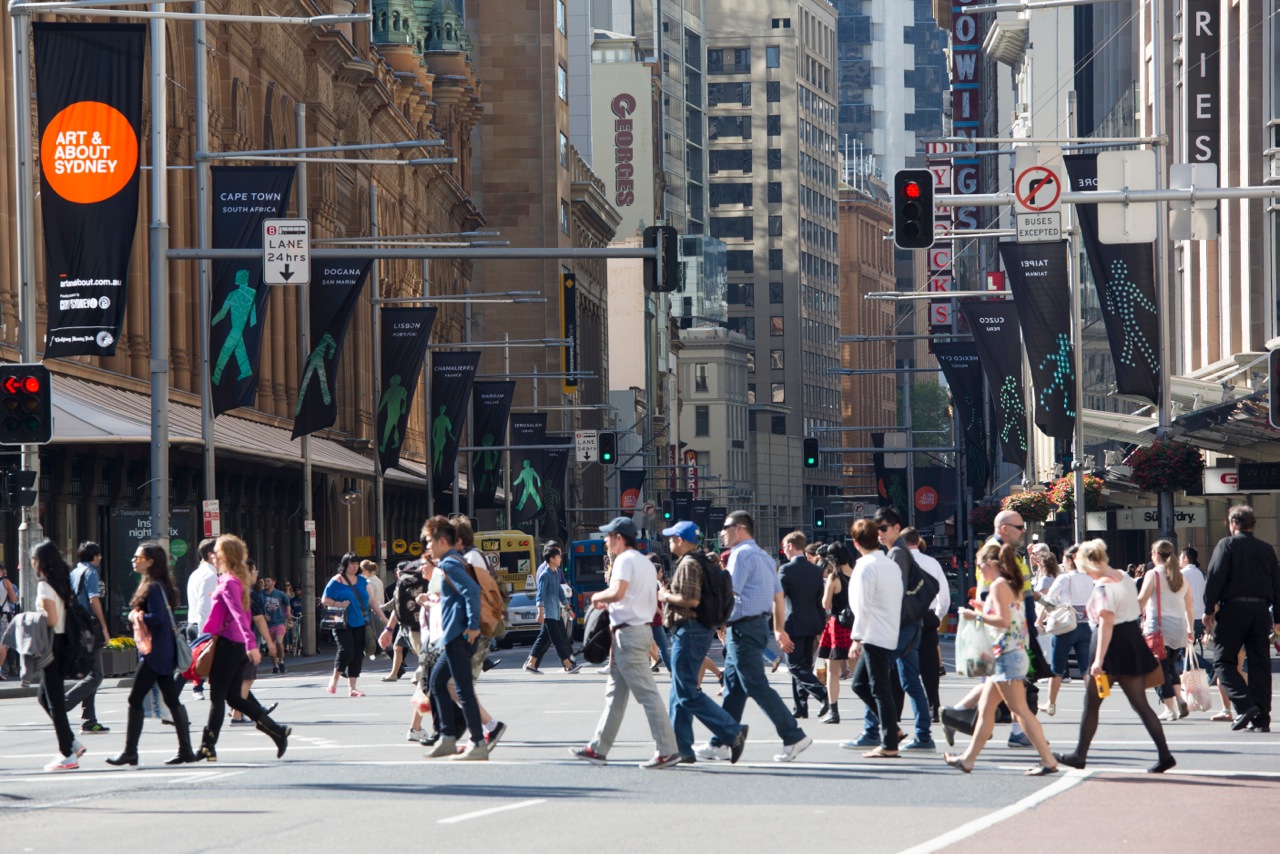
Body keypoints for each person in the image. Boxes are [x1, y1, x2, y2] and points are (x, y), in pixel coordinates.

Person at [697, 511, 811, 763]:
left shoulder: (740, 555)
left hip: (743, 629)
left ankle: (793, 735)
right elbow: (778, 596)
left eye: (725, 527)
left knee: (755, 685)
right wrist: (779, 628)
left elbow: (729, 594)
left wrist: (707, 618)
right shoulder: (764, 557)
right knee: (734, 688)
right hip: (754, 626)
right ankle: (721, 742)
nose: (721, 533)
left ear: (739, 528)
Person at [1053, 538, 1175, 773]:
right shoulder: (1124, 577)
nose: (1085, 573)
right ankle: (1164, 754)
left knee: (1092, 703)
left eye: (1084, 568)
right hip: (1131, 640)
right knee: (1141, 704)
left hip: (1109, 644)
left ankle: (1079, 755)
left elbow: (1106, 623)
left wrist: (1098, 660)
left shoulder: (1103, 587)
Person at [571, 517, 680, 769]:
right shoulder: (645, 564)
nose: (605, 540)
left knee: (647, 694)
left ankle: (667, 750)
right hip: (639, 630)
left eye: (608, 536)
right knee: (615, 696)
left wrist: (597, 597)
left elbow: (618, 592)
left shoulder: (623, 560)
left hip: (629, 634)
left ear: (619, 538)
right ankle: (598, 749)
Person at [942, 543, 1058, 776]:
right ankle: (967, 759)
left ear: (991, 564)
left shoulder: (998, 585)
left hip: (1007, 655)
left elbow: (1003, 621)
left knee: (1020, 711)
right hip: (1010, 654)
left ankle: (1048, 760)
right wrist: (983, 608)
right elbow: (1009, 615)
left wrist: (976, 615)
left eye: (980, 565)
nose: (979, 570)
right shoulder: (1010, 584)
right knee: (986, 711)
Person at [660, 520, 749, 765]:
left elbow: (691, 600)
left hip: (689, 629)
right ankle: (682, 749)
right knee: (678, 691)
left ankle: (732, 731)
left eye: (672, 538)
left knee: (686, 693)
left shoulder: (688, 563)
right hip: (696, 630)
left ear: (680, 540)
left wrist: (665, 595)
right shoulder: (700, 561)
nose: (669, 542)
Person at [197, 534, 290, 761]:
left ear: (226, 555)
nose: (213, 556)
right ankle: (276, 732)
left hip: (230, 645)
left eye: (217, 552)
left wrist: (252, 644)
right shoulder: (233, 580)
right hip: (235, 645)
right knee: (234, 699)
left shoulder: (230, 582)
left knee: (218, 698)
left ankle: (208, 747)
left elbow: (240, 615)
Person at [107, 542, 197, 767]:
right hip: (161, 651)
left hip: (155, 653)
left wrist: (136, 616)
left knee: (135, 698)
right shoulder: (158, 584)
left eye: (138, 557)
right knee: (171, 699)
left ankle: (131, 751)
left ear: (150, 561)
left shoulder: (154, 586)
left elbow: (158, 618)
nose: (134, 560)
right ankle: (185, 749)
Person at [1203, 504, 1280, 732]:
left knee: (1222, 661)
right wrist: (1277, 618)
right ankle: (1262, 719)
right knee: (1260, 664)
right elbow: (1277, 585)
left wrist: (1208, 609)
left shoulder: (1227, 545)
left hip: (1233, 609)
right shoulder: (1266, 549)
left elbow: (1215, 577)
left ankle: (1245, 704)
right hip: (1261, 610)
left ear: (1233, 524)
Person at [420, 516, 489, 761]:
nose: (428, 546)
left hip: (459, 636)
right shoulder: (453, 561)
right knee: (437, 683)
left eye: (430, 541)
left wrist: (472, 626)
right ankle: (448, 737)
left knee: (462, 689)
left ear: (442, 541)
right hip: (452, 637)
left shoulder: (450, 563)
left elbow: (472, 590)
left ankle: (477, 742)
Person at [841, 519, 903, 758]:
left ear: (855, 542)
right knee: (861, 684)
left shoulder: (865, 567)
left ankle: (889, 743)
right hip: (888, 630)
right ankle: (892, 730)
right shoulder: (890, 564)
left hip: (873, 633)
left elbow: (862, 605)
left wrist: (856, 638)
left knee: (879, 688)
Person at [873, 508, 933, 751]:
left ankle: (873, 731)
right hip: (908, 624)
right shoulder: (897, 551)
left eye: (884, 528)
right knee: (909, 681)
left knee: (874, 676)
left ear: (897, 528)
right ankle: (923, 736)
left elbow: (894, 592)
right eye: (877, 529)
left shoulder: (897, 552)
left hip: (902, 626)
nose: (879, 533)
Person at [32, 540, 85, 771]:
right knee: (44, 697)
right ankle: (72, 742)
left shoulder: (45, 585)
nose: (31, 563)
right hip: (65, 643)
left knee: (54, 701)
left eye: (33, 559)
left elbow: (51, 619)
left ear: (40, 562)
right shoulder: (62, 582)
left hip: (52, 644)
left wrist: (32, 618)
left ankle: (67, 753)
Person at [1137, 540, 1195, 721]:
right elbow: (1189, 606)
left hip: (1159, 628)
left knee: (1156, 669)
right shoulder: (1181, 577)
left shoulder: (1153, 574)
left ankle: (1170, 708)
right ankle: (1179, 699)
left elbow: (1142, 600)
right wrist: (1191, 629)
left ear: (1156, 554)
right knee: (1169, 666)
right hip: (1179, 628)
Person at [778, 532, 829, 722]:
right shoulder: (815, 570)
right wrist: (821, 627)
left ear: (791, 546)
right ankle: (800, 706)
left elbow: (779, 599)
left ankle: (822, 693)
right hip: (812, 623)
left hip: (793, 623)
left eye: (784, 547)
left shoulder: (786, 569)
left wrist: (776, 626)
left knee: (794, 666)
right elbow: (819, 602)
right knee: (804, 665)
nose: (784, 551)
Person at [1042, 544, 1094, 716]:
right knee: (1086, 668)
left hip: (1066, 625)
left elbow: (1048, 600)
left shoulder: (1064, 578)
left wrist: (1040, 619)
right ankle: (1093, 704)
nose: (1062, 562)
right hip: (1086, 625)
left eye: (1064, 558)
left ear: (1070, 560)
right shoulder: (1089, 578)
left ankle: (1051, 703)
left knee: (1057, 667)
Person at [65, 541, 112, 734]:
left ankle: (89, 720)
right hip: (89, 626)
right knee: (97, 675)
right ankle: (63, 703)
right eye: (99, 555)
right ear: (95, 557)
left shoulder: (74, 572)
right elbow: (94, 600)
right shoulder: (91, 572)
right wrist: (104, 627)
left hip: (76, 626)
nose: (100, 558)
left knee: (91, 673)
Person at [903, 528, 949, 723]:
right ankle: (933, 706)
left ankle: (896, 709)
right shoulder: (932, 563)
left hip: (904, 617)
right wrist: (937, 615)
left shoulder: (897, 562)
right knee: (930, 665)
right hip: (927, 615)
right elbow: (944, 596)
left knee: (902, 663)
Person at [524, 543, 581, 674]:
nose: (561, 559)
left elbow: (561, 594)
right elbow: (540, 595)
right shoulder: (544, 575)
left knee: (543, 639)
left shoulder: (555, 573)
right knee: (557, 640)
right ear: (551, 559)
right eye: (558, 556)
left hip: (556, 613)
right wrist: (540, 612)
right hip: (548, 613)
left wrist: (569, 609)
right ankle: (568, 665)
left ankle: (531, 664)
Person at [816, 542, 855, 723]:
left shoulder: (834, 577)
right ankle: (874, 709)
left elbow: (826, 604)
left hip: (838, 626)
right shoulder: (857, 573)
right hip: (857, 626)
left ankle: (834, 711)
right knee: (860, 669)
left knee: (833, 671)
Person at [322, 553, 369, 697]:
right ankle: (335, 678)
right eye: (352, 563)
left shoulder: (362, 580)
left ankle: (352, 688)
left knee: (358, 653)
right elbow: (325, 600)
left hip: (360, 621)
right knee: (346, 650)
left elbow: (371, 600)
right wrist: (339, 604)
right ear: (345, 565)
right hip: (341, 622)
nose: (355, 566)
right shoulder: (336, 580)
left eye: (356, 563)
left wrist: (384, 618)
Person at [381, 559, 426, 682]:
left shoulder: (412, 584)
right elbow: (396, 606)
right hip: (403, 623)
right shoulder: (403, 583)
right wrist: (389, 629)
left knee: (417, 650)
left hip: (412, 623)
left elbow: (395, 605)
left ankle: (423, 672)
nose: (397, 572)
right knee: (397, 647)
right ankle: (394, 674)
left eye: (399, 569)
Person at [186, 539, 219, 698]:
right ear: (211, 555)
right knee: (202, 662)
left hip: (193, 622)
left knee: (195, 663)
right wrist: (204, 633)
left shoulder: (196, 573)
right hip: (203, 626)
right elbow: (204, 605)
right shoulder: (210, 575)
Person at [261, 576, 290, 674]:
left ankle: (281, 661)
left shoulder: (280, 594)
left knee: (279, 642)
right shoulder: (261, 595)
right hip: (267, 624)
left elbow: (287, 603)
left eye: (268, 581)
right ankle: (275, 665)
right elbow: (257, 607)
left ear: (274, 582)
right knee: (271, 647)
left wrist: (288, 613)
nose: (266, 583)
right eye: (265, 581)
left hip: (279, 622)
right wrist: (263, 616)